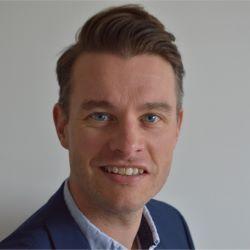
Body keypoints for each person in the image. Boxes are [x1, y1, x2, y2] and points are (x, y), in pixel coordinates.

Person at [0, 4, 194, 249]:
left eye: (151, 118)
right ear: (62, 126)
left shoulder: (173, 224)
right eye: (101, 116)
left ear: (177, 128)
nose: (128, 145)